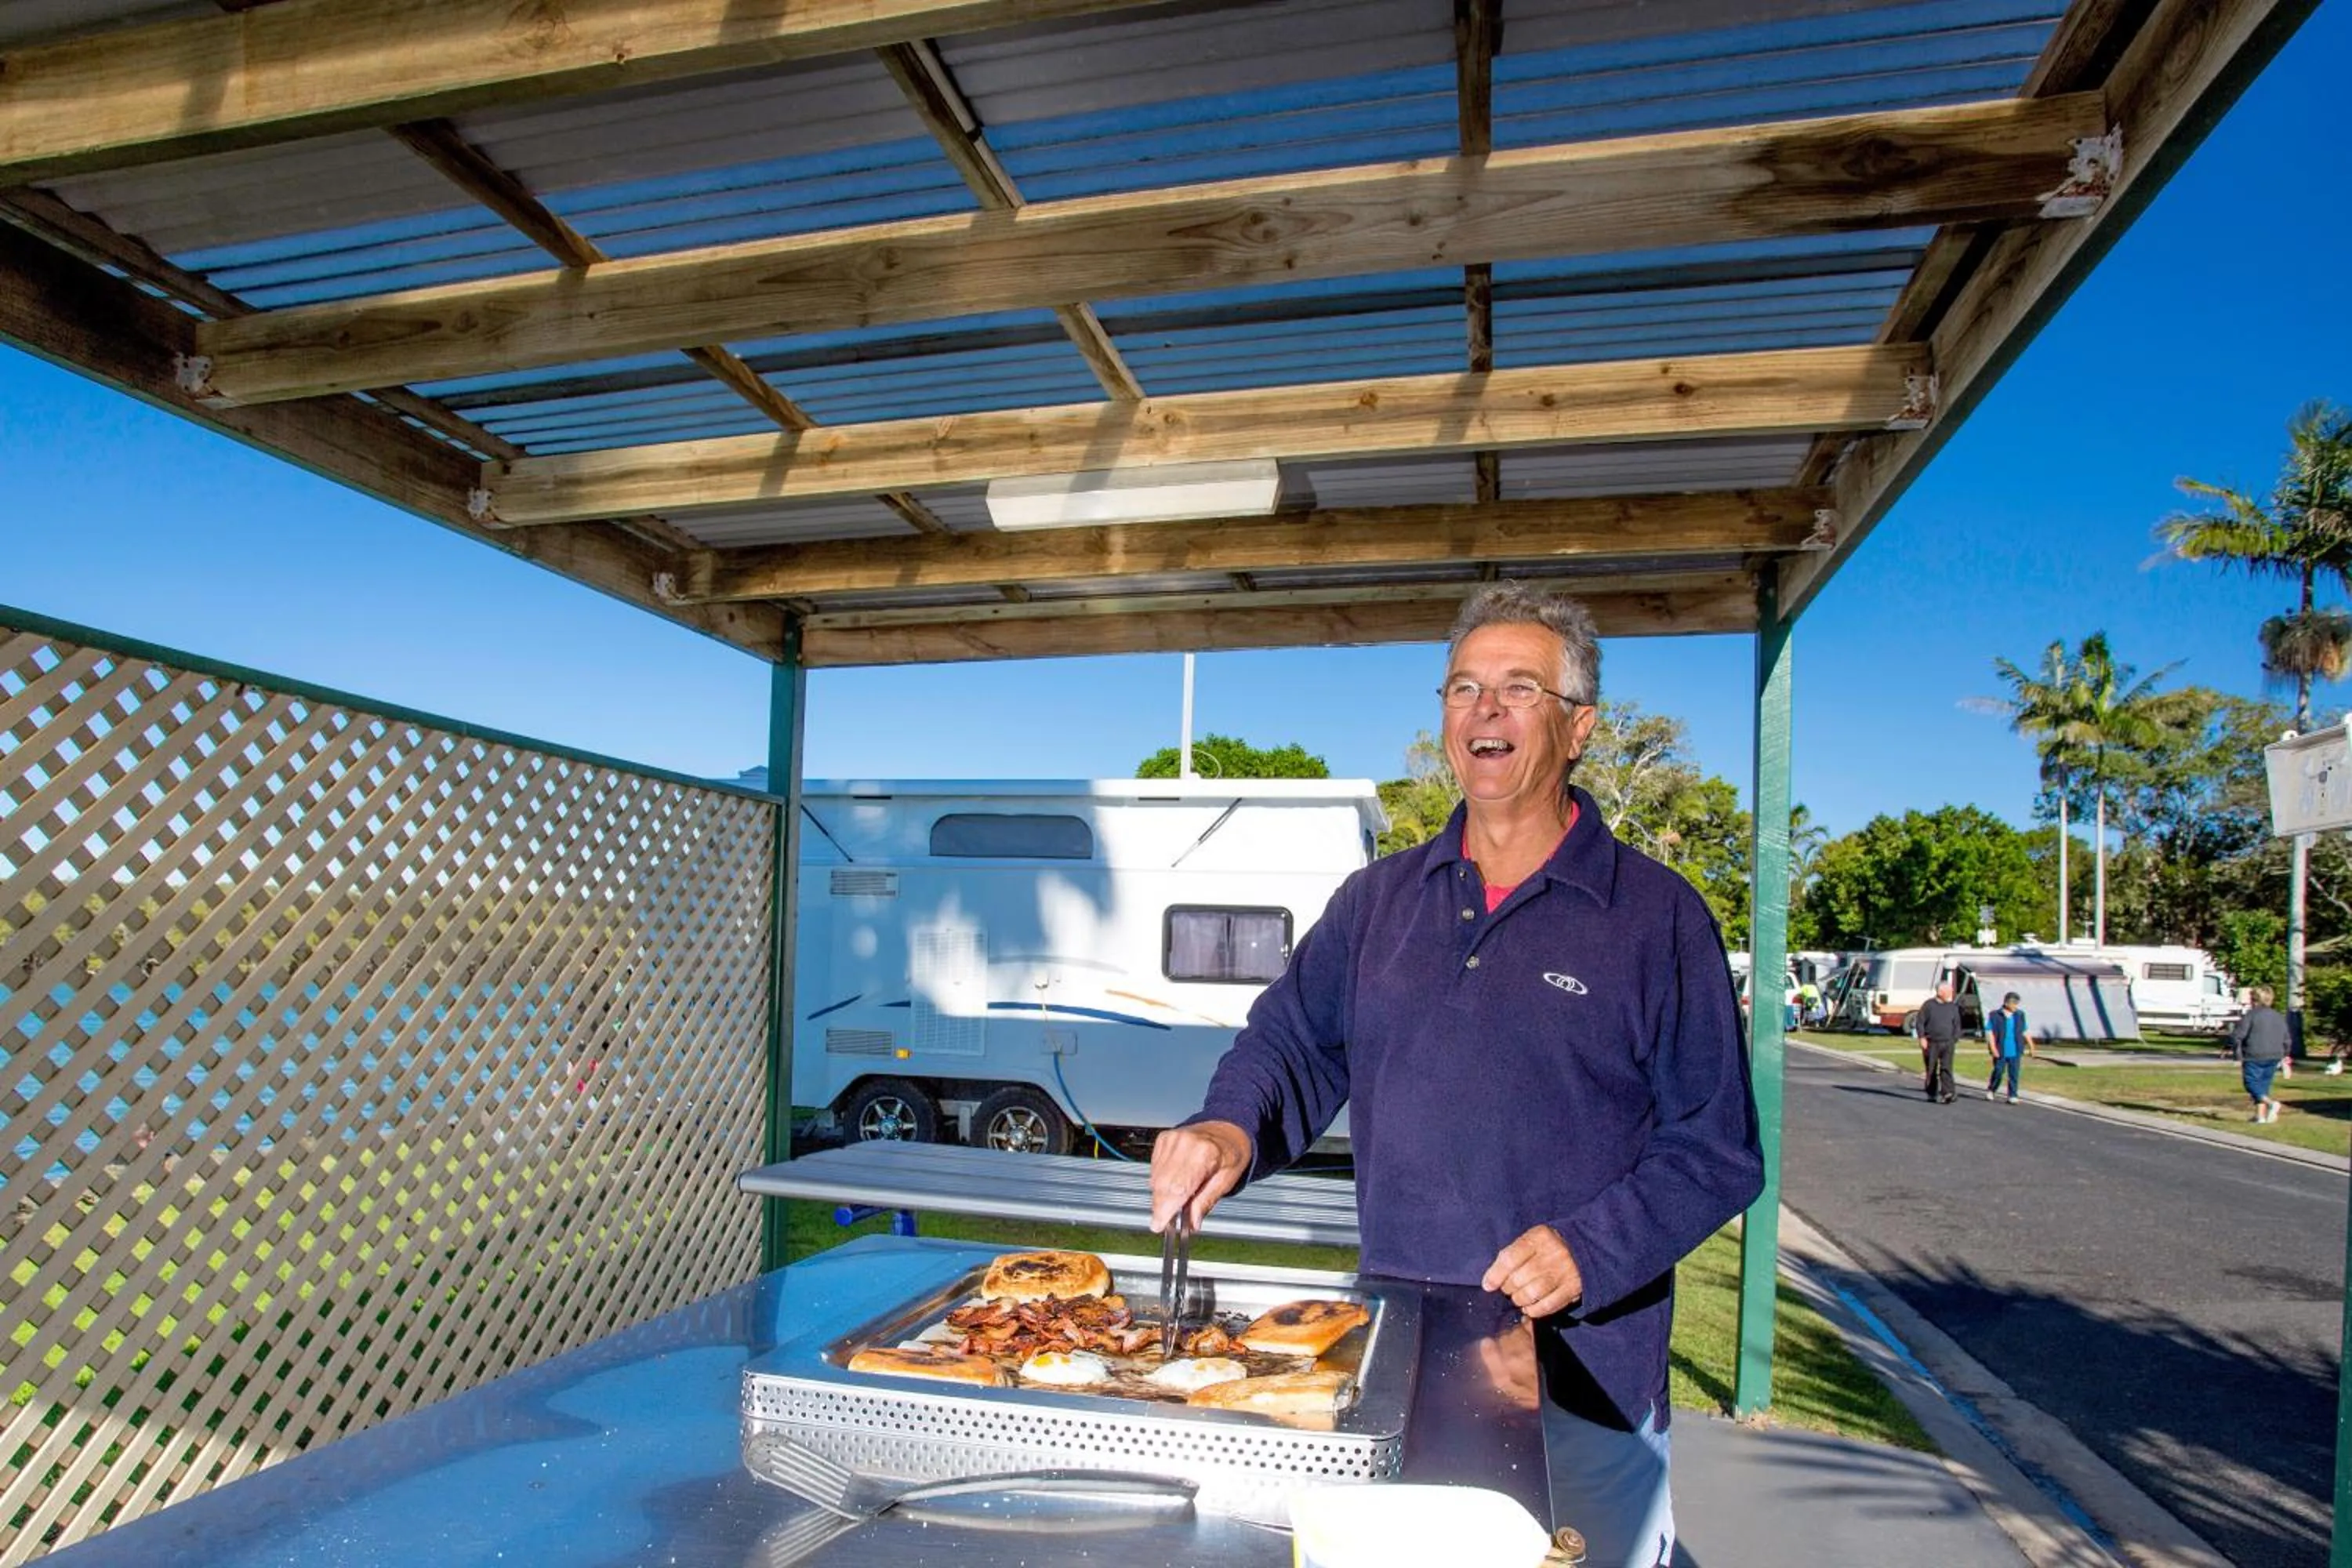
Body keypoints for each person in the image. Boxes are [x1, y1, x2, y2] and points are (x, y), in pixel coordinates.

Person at [1148, 583, 1764, 1568]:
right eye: (1464, 686)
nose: (1485, 709)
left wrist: (1587, 1249)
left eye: (1520, 688)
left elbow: (1715, 1150)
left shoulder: (1658, 919)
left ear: (1580, 728)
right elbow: (1294, 1044)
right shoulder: (1376, 901)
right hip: (1398, 1358)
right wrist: (1230, 1126)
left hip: (1585, 1386)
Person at [2230, 985, 2291, 1123]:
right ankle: (2260, 1116)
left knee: (2251, 1083)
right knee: (2263, 1086)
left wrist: (2237, 1055)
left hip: (2254, 1055)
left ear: (2255, 999)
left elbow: (2238, 1036)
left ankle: (2271, 1104)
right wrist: (2285, 1054)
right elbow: (2286, 1038)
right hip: (2274, 1055)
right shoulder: (2278, 1016)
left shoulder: (2251, 1016)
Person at [1915, 980, 1965, 1105]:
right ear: (1940, 992)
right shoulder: (1928, 1005)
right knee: (1931, 1069)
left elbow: (1957, 1025)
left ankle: (1948, 1092)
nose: (1951, 993)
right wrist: (1922, 1038)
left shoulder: (1952, 1007)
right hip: (1931, 1042)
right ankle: (1931, 1092)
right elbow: (1920, 1022)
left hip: (1948, 1043)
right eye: (1949, 991)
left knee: (1946, 1068)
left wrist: (1954, 1038)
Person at [1982, 991, 2036, 1103]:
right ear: (2007, 1003)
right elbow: (1990, 1032)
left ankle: (2012, 1095)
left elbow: (2025, 1031)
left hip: (2015, 1049)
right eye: (2014, 1004)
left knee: (2014, 1073)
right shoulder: (1995, 1015)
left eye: (2017, 1004)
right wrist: (1993, 1048)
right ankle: (1992, 1090)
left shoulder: (2020, 1015)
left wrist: (2031, 1046)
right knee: (1998, 1071)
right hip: (2000, 1049)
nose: (2015, 1006)